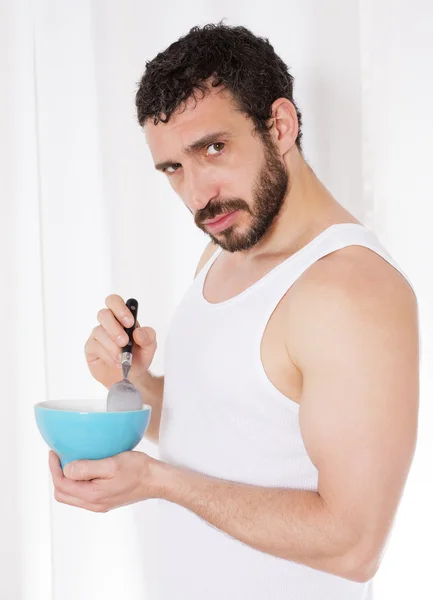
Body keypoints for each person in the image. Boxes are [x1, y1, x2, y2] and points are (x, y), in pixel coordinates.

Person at [49, 22, 419, 599]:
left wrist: (156, 482)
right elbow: (227, 427)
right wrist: (138, 382)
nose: (198, 194)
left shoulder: (353, 290)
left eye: (212, 149)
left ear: (280, 126)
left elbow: (354, 545)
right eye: (173, 168)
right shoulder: (223, 250)